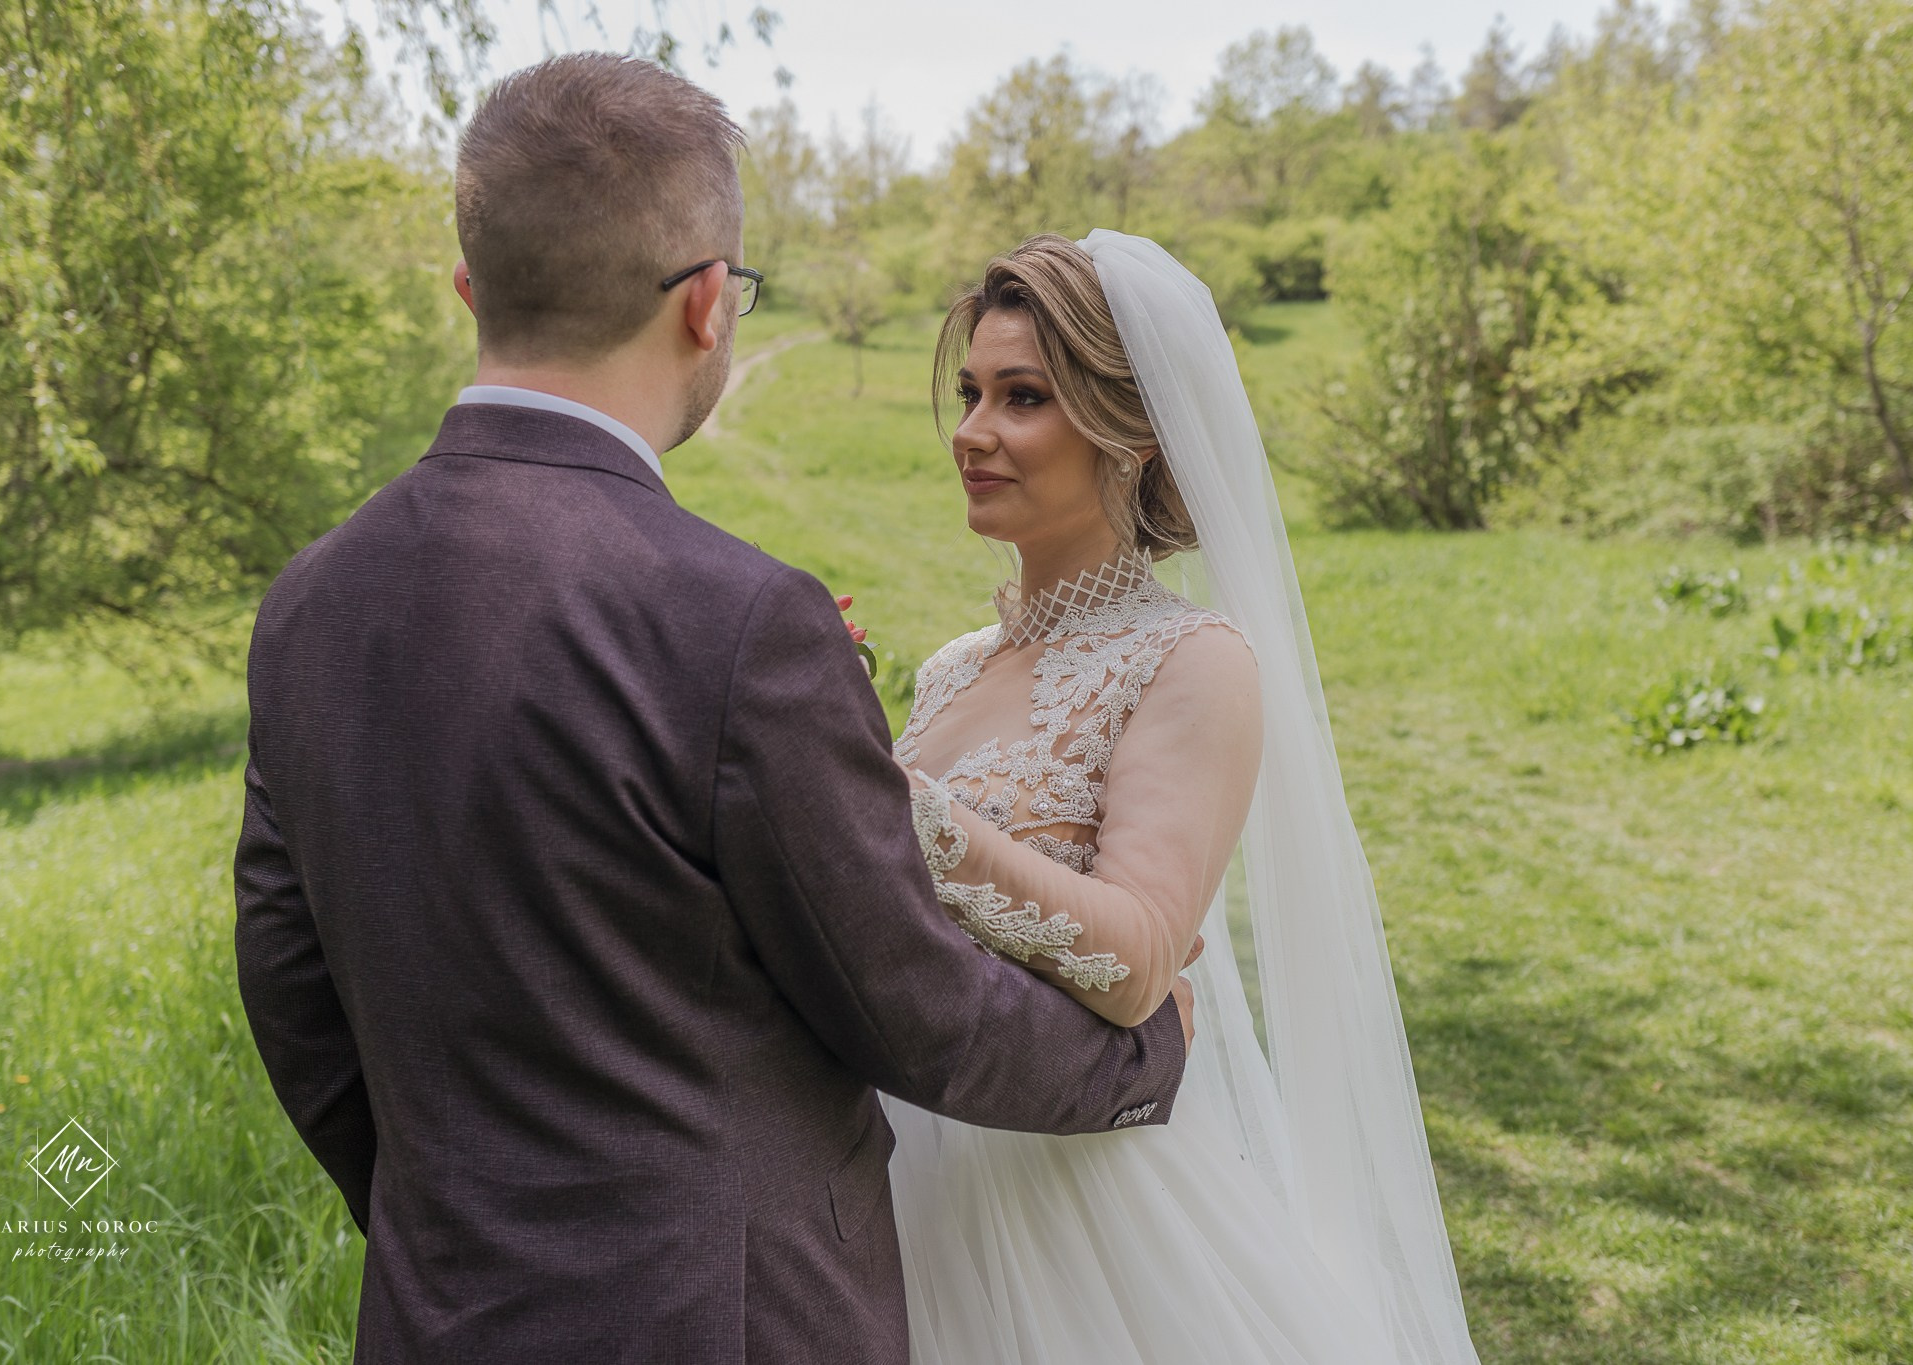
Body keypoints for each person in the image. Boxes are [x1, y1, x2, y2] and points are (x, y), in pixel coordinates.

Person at [231, 57, 1192, 1364]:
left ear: (472, 289)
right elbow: (909, 1000)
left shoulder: (306, 605)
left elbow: (294, 996)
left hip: (435, 1313)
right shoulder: (735, 621)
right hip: (735, 1324)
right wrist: (1145, 1059)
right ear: (703, 306)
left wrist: (446, 1221)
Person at [882, 232, 1484, 1364]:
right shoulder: (952, 666)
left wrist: (888, 804)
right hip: (904, 1165)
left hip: (1061, 1209)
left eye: (1022, 399)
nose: (971, 434)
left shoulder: (1189, 659)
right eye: (970, 393)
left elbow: (1137, 960)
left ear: (1130, 432)